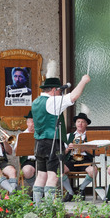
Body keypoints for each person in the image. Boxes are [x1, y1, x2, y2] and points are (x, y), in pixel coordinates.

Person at [32, 74, 91, 205]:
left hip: (39, 142)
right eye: (59, 90)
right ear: (53, 89)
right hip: (52, 142)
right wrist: (83, 81)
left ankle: (37, 206)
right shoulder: (52, 102)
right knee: (52, 176)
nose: (60, 93)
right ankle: (47, 208)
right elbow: (73, 97)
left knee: (41, 175)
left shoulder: (36, 102)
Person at [62, 111, 98, 201]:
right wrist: (67, 149)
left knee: (93, 170)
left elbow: (97, 153)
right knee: (59, 170)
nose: (80, 124)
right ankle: (70, 192)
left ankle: (81, 188)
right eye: (78, 122)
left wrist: (85, 149)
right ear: (75, 123)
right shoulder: (68, 136)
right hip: (72, 159)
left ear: (86, 124)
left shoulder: (90, 136)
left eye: (82, 122)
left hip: (85, 160)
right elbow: (62, 153)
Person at [13, 110, 36, 187]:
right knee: (27, 171)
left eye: (35, 122)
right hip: (28, 161)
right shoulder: (21, 135)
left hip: (41, 160)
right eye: (32, 122)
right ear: (27, 123)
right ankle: (37, 190)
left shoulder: (41, 134)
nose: (33, 124)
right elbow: (16, 151)